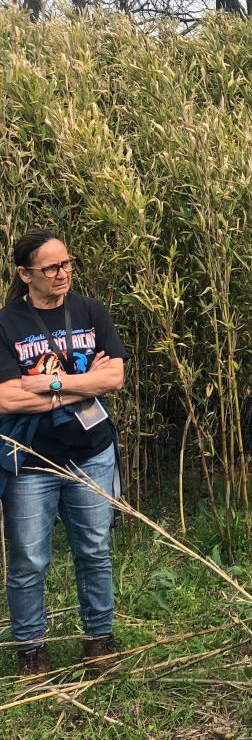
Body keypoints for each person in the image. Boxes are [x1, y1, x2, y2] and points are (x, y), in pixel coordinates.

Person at [0, 231, 128, 676]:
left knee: (94, 549)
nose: (62, 273)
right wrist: (83, 386)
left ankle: (99, 640)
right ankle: (31, 650)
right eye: (50, 267)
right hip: (29, 461)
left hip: (93, 452)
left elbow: (115, 378)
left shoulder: (92, 311)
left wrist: (53, 384)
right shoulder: (6, 323)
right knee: (29, 559)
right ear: (25, 274)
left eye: (67, 263)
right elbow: (6, 400)